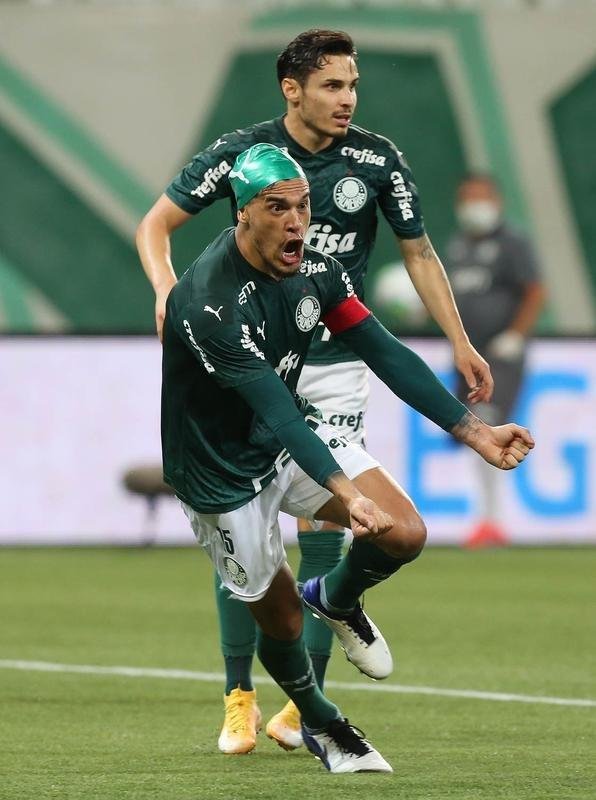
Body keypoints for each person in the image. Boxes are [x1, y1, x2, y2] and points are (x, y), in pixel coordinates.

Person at [137, 29, 494, 754]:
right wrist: (167, 294)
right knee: (253, 543)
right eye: (332, 84)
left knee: (339, 528)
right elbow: (156, 225)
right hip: (245, 366)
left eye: (353, 85)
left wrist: (461, 354)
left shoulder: (375, 161)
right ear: (292, 89)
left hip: (327, 357)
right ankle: (243, 693)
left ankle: (309, 690)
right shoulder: (241, 161)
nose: (347, 98)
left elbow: (417, 256)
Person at [444, 173, 546, 545]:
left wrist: (516, 335)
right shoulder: (457, 246)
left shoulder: (512, 243)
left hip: (500, 355)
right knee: (464, 433)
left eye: (480, 197)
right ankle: (485, 517)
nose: (474, 205)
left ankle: (492, 521)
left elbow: (535, 290)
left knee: (485, 425)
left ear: (497, 201)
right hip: (466, 355)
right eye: (467, 197)